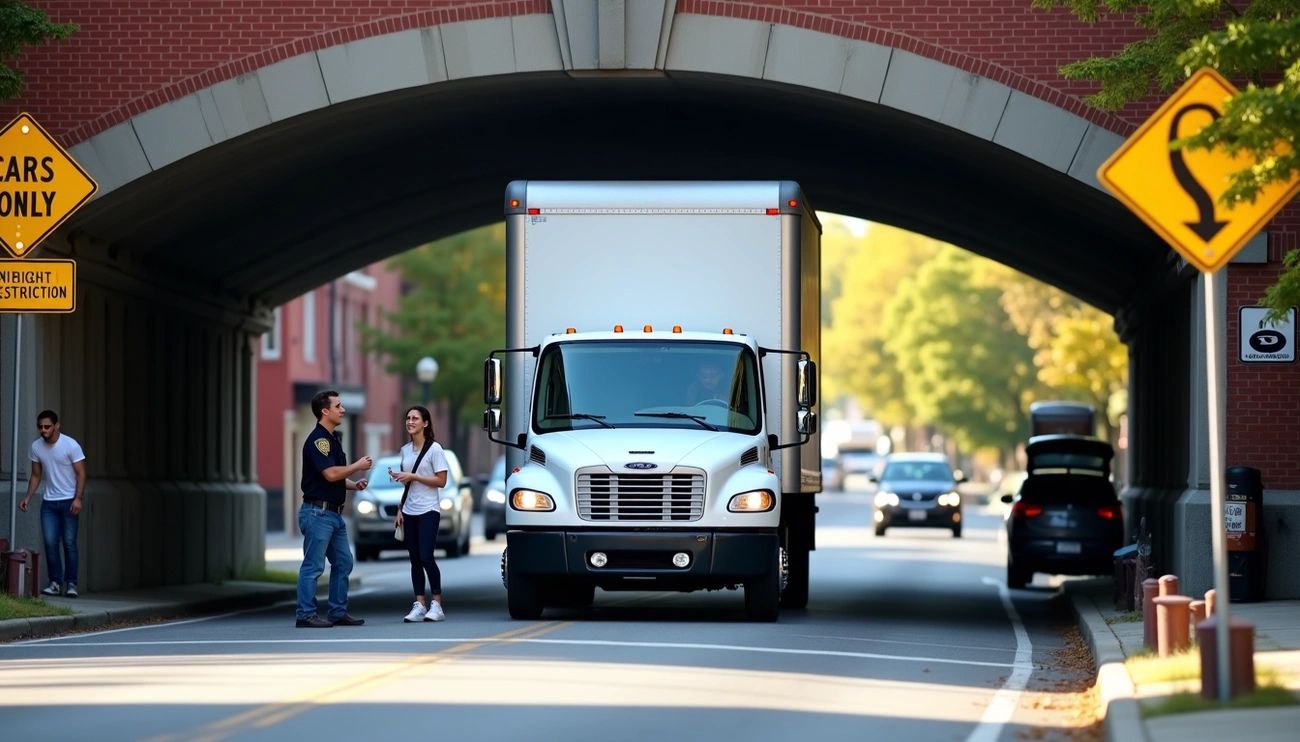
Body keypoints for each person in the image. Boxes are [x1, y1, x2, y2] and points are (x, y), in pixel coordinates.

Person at [295, 390, 373, 628]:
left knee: (344, 562)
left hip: (333, 515)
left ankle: (337, 612)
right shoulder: (318, 441)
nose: (343, 409)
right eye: (338, 406)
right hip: (318, 513)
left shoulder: (332, 440)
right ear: (325, 411)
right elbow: (330, 474)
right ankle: (305, 614)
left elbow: (333, 476)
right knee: (313, 566)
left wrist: (352, 484)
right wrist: (357, 466)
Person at [18, 410, 87, 598]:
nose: (43, 430)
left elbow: (81, 473)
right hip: (49, 503)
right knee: (50, 543)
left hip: (69, 502)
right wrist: (28, 497)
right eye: (40, 426)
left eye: (47, 426)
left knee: (69, 543)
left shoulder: (70, 445)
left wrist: (78, 498)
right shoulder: (36, 447)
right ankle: (55, 582)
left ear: (56, 426)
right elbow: (36, 475)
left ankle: (71, 583)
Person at [391, 405, 449, 623]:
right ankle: (419, 604)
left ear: (425, 423)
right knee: (414, 559)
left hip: (429, 509)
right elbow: (407, 484)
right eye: (408, 418)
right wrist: (399, 509)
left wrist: (413, 476)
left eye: (415, 418)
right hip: (409, 510)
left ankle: (437, 604)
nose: (410, 421)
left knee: (426, 556)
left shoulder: (435, 449)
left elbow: (441, 481)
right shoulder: (405, 450)